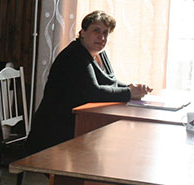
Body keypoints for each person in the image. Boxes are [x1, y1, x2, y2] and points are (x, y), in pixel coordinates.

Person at [25, 10, 151, 153]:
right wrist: (129, 92)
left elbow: (110, 82)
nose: (101, 37)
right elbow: (93, 92)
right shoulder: (75, 55)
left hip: (77, 124)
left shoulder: (100, 54)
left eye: (105, 33)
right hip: (55, 130)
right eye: (96, 30)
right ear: (82, 32)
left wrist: (133, 88)